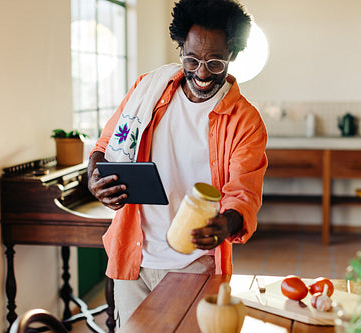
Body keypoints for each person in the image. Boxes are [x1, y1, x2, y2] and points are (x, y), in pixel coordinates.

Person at [88, 0, 268, 327]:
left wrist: (226, 224)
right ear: (180, 47)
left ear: (233, 55)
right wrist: (94, 178)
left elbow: (243, 193)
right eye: (192, 59)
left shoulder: (245, 121)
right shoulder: (149, 89)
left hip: (194, 262)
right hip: (134, 256)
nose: (201, 72)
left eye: (215, 62)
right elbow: (105, 146)